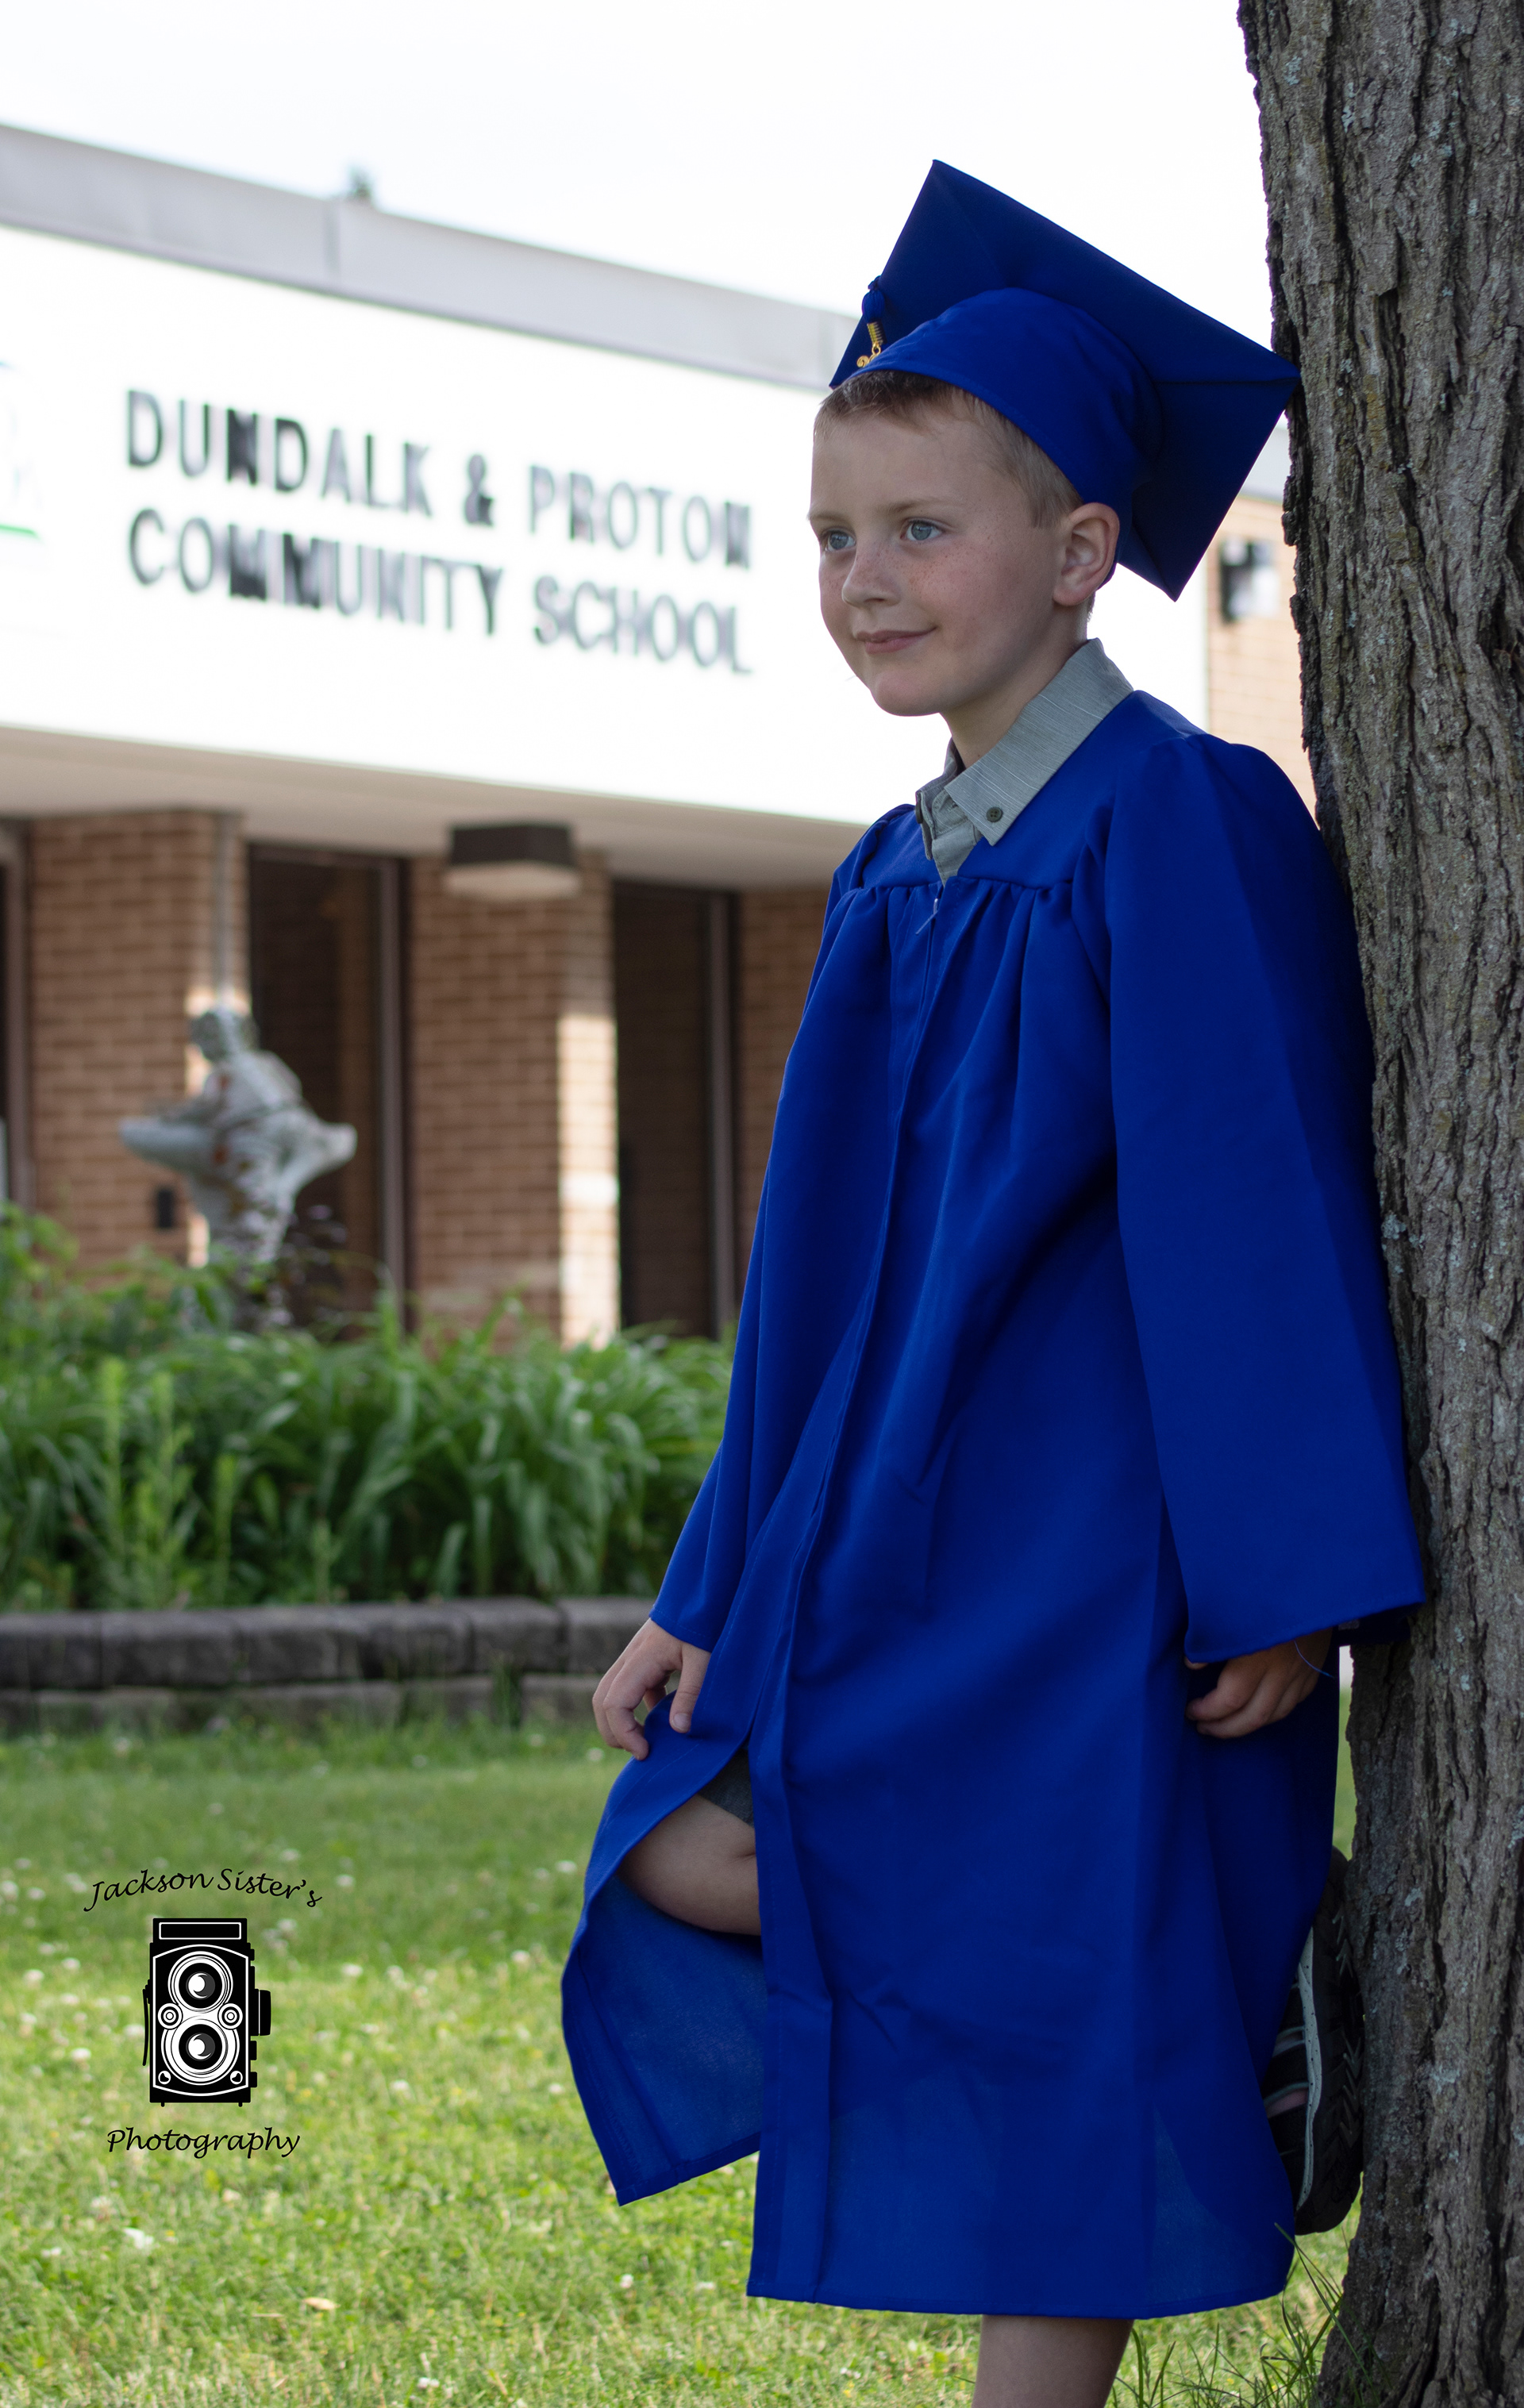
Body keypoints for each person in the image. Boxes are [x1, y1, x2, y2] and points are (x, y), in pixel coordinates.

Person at [563, 163, 1423, 2408]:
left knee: (1066, 1997)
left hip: (1098, 1561)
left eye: (919, 531)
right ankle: (1232, 2019)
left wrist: (1282, 1579)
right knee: (681, 1850)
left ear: (1075, 553)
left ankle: (1218, 2026)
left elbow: (1256, 1210)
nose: (863, 580)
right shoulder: (897, 874)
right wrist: (710, 1587)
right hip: (906, 1544)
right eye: (833, 536)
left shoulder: (1181, 816)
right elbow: (811, 1289)